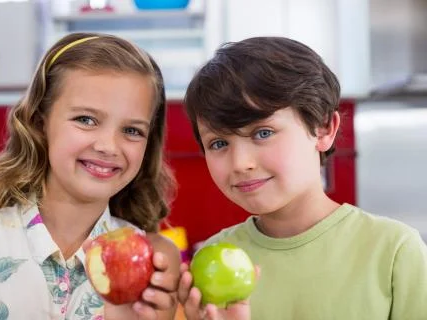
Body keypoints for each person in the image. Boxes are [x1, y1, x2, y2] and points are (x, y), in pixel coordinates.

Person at [177, 36, 427, 320]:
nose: (240, 163)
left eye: (263, 133)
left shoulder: (394, 250)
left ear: (323, 130)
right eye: (219, 143)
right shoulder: (207, 260)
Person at [0, 32, 181, 319]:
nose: (108, 146)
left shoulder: (157, 257)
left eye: (132, 130)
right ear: (39, 122)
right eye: (86, 120)